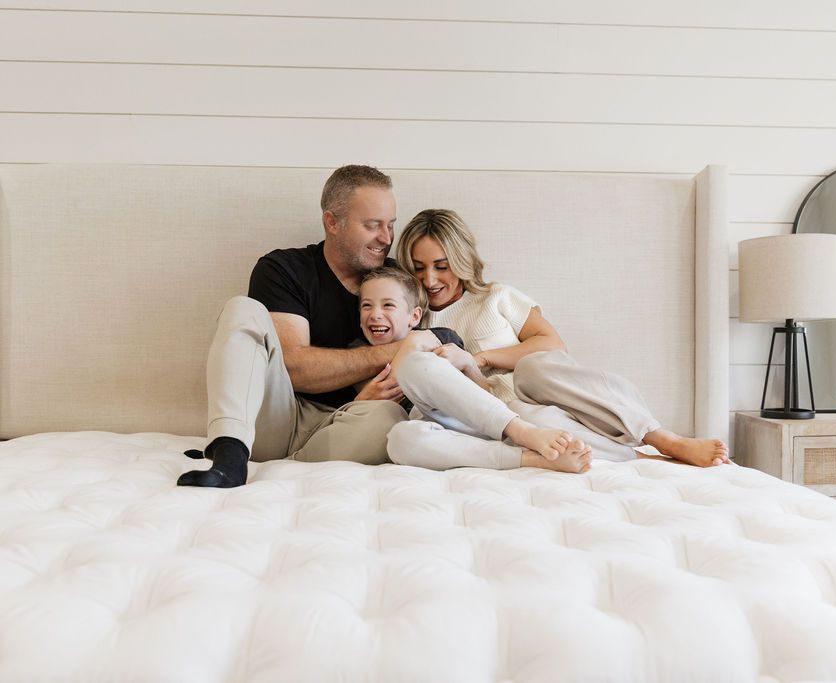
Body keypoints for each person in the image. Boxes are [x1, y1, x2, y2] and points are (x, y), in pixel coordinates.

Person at [391, 208, 732, 467]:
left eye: (441, 265)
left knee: (534, 370)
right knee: (408, 436)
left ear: (461, 260)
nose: (430, 279)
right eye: (418, 268)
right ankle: (636, 460)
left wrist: (478, 359)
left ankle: (661, 439)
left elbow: (553, 345)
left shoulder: (496, 297)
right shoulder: (411, 317)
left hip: (527, 401)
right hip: (477, 421)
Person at [177, 165, 438, 488]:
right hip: (278, 419)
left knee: (388, 419)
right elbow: (295, 368)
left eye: (390, 225)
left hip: (348, 426)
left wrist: (362, 403)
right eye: (372, 226)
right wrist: (401, 347)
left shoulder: (396, 281)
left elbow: (440, 342)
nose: (386, 239)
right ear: (332, 222)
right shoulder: (284, 270)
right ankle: (229, 455)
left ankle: (293, 466)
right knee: (241, 309)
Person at [353, 266, 592, 473]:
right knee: (399, 440)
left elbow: (482, 393)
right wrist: (364, 399)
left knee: (414, 365)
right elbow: (358, 418)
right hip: (445, 435)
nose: (375, 315)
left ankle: (522, 432)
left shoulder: (435, 337)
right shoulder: (356, 354)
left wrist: (420, 349)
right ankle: (529, 459)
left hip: (474, 417)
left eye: (388, 305)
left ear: (414, 316)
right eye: (366, 306)